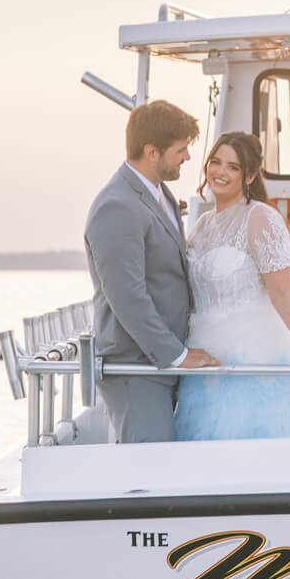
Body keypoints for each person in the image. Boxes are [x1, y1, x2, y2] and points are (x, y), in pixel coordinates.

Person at [175, 130, 290, 440]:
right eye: (215, 162)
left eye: (233, 167)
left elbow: (283, 292)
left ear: (249, 176)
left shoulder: (261, 218)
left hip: (252, 361)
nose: (220, 172)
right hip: (205, 365)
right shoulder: (201, 225)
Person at [84, 100, 221, 443]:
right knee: (150, 467)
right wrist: (178, 355)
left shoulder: (160, 194)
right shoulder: (117, 206)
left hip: (162, 364)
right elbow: (127, 297)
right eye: (180, 150)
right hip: (137, 369)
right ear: (151, 151)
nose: (187, 157)